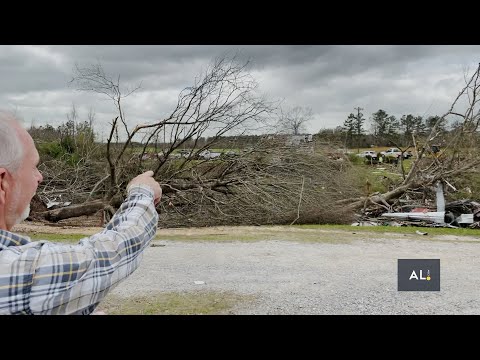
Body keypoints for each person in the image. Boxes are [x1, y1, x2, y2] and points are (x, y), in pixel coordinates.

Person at [0, 111, 162, 315]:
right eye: (33, 167)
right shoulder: (19, 272)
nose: (40, 177)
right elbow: (117, 251)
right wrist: (142, 191)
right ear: (2, 182)